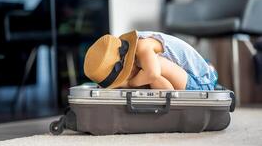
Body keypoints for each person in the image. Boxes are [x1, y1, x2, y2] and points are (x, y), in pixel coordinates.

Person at [83, 30, 218, 90]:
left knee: (153, 68)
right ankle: (210, 67)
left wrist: (131, 83)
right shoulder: (135, 51)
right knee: (149, 71)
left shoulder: (142, 46)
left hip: (201, 82)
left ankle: (210, 70)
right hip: (192, 69)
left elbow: (153, 73)